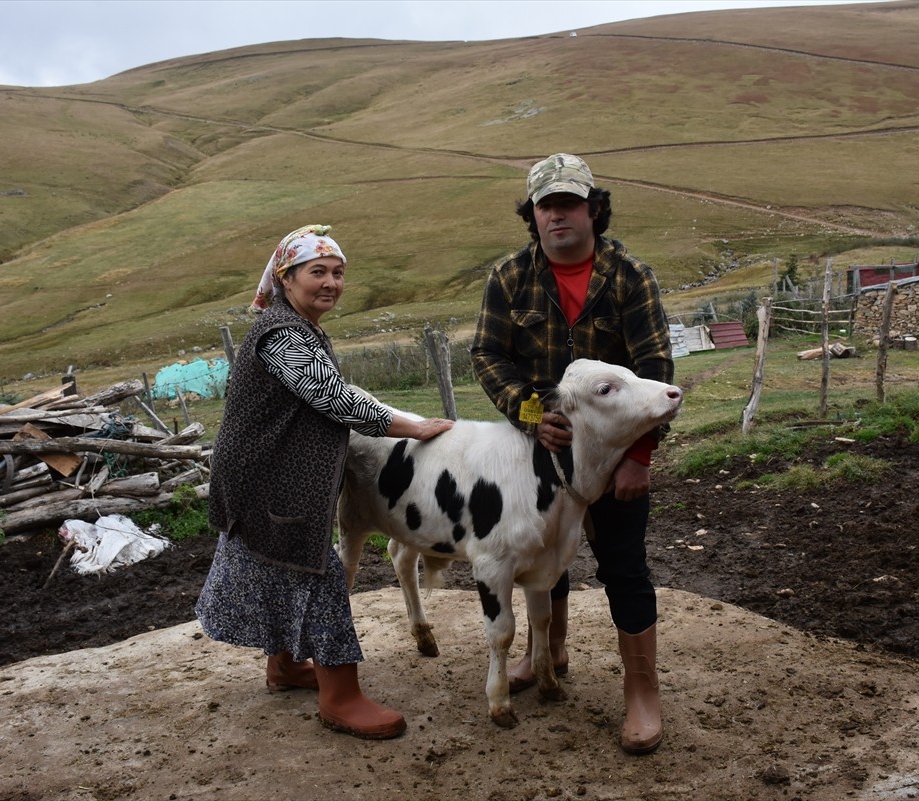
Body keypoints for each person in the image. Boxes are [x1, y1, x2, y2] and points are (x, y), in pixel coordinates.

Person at [196, 224, 453, 740]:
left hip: (268, 479)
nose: (331, 282)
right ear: (287, 278)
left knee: (282, 572)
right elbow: (331, 396)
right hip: (274, 485)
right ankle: (341, 697)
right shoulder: (281, 335)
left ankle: (286, 667)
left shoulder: (297, 326)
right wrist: (413, 427)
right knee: (316, 575)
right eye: (318, 272)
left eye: (338, 273)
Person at [470, 154, 674, 754]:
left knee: (623, 564)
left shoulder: (629, 275)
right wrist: (533, 418)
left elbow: (657, 371)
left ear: (593, 208)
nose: (556, 214)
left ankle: (642, 692)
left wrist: (638, 455)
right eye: (544, 205)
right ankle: (547, 653)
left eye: (568, 203)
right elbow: (487, 355)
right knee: (540, 554)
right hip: (540, 453)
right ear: (532, 214)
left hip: (612, 458)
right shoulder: (510, 276)